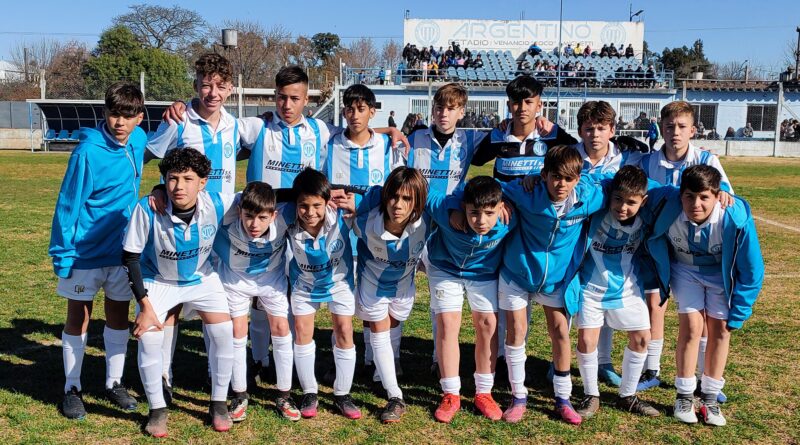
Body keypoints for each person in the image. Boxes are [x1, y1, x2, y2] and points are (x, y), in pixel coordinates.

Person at [123, 148, 237, 437]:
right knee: (149, 337)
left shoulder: (218, 203)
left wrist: (328, 194)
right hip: (158, 280)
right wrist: (144, 305)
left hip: (201, 279)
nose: (178, 186)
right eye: (172, 179)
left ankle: (218, 403)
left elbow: (264, 196)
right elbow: (130, 257)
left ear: (203, 182)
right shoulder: (148, 208)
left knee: (225, 332)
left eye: (188, 179)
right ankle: (157, 409)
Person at [49, 82, 146, 420]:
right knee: (79, 317)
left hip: (122, 252)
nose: (120, 122)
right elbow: (67, 204)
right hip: (85, 253)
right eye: (114, 114)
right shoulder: (87, 152)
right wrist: (63, 253)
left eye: (128, 115)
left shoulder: (138, 140)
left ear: (139, 118)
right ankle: (72, 388)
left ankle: (114, 382)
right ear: (105, 112)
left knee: (118, 316)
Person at [646, 165, 763, 426]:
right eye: (689, 196)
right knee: (691, 327)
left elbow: (752, 269)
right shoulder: (667, 201)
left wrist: (740, 310)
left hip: (719, 276)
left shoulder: (734, 218)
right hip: (685, 270)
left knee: (721, 330)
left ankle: (709, 397)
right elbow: (632, 183)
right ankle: (684, 395)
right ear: (680, 195)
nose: (695, 204)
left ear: (717, 196)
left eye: (704, 197)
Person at [632, 101, 735, 398]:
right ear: (660, 128)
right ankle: (651, 370)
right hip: (657, 242)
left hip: (693, 246)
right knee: (654, 304)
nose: (675, 132)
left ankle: (704, 375)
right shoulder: (646, 162)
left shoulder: (706, 159)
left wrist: (725, 195)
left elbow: (725, 196)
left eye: (681, 127)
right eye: (669, 126)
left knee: (700, 318)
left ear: (692, 130)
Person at [499, 145, 608, 424]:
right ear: (544, 175)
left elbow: (624, 183)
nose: (561, 184)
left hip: (558, 280)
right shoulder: (526, 192)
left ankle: (563, 398)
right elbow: (486, 188)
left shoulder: (589, 197)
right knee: (517, 330)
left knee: (560, 331)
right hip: (518, 274)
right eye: (556, 177)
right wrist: (498, 201)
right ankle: (518, 396)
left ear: (578, 179)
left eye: (569, 179)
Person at [340, 167, 430, 423]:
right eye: (393, 197)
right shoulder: (365, 221)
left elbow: (447, 201)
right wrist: (358, 202)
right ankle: (395, 394)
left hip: (403, 285)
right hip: (372, 284)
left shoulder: (427, 221)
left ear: (417, 202)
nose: (398, 205)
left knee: (393, 324)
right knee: (379, 330)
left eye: (406, 199)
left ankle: (381, 368)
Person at [572, 166, 660, 420]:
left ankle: (627, 396)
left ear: (643, 201)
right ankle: (591, 394)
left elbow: (668, 193)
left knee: (642, 338)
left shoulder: (647, 218)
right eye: (618, 199)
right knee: (587, 340)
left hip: (626, 289)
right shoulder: (597, 212)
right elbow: (587, 181)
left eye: (631, 203)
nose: (623, 207)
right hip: (591, 288)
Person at [427, 177, 516, 423]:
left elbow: (526, 194)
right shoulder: (447, 211)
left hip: (484, 273)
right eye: (474, 213)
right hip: (445, 269)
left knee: (488, 325)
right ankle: (450, 394)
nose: (481, 221)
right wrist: (452, 207)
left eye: (489, 213)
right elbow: (426, 190)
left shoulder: (510, 218)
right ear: (464, 207)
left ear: (501, 207)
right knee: (447, 323)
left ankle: (484, 393)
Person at [212, 181, 298, 421]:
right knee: (237, 332)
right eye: (248, 216)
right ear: (239, 210)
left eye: (262, 218)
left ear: (274, 215)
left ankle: (284, 394)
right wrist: (159, 191)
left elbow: (309, 194)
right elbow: (194, 198)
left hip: (272, 280)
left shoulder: (285, 216)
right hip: (235, 280)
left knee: (281, 328)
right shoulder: (226, 211)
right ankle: (240, 394)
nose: (254, 224)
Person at [285, 168, 359, 419]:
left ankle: (342, 393)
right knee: (302, 331)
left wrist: (347, 194)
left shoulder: (341, 214)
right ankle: (309, 392)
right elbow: (258, 195)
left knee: (344, 330)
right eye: (303, 206)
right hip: (304, 285)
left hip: (339, 282)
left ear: (327, 202)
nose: (310, 212)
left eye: (317, 205)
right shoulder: (288, 217)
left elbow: (377, 196)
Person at [472, 75, 577, 182]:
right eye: (516, 102)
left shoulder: (552, 133)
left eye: (528, 102)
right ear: (509, 106)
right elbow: (475, 160)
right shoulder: (498, 135)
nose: (522, 108)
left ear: (539, 106)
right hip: (504, 194)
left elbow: (581, 155)